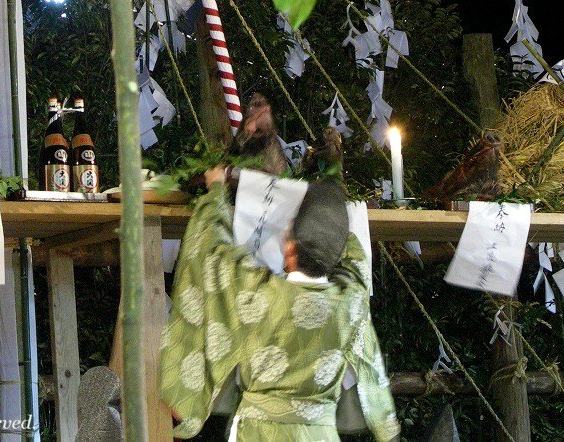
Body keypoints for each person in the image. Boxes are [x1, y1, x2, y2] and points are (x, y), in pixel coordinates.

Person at [160, 165, 399, 441]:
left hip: (257, 432)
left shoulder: (257, 292)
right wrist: (327, 211)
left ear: (290, 247)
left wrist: (216, 190)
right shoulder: (351, 301)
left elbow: (214, 250)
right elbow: (351, 251)